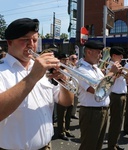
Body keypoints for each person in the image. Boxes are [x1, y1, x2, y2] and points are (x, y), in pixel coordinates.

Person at [0, 18, 74, 150]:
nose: (31, 45)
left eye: (34, 40)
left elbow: (66, 102)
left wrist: (63, 81)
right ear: (9, 42)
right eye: (24, 39)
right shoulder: (2, 70)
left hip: (46, 146)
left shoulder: (40, 67)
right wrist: (33, 76)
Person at [75, 40, 122, 150]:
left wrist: (115, 75)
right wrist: (111, 72)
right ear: (89, 52)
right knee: (89, 145)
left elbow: (107, 87)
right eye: (99, 52)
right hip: (91, 112)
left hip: (102, 110)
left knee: (98, 145)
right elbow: (96, 90)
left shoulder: (95, 68)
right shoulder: (80, 69)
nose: (101, 56)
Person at [106, 46, 126, 150]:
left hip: (121, 95)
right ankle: (111, 145)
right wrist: (115, 74)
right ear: (114, 56)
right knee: (115, 122)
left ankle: (114, 143)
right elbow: (107, 82)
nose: (122, 57)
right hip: (115, 96)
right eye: (120, 55)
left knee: (119, 122)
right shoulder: (110, 66)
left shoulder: (119, 66)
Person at [56, 53, 75, 140]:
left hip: (71, 93)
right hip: (62, 95)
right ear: (59, 60)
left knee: (68, 114)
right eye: (64, 60)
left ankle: (67, 129)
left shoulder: (69, 69)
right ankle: (61, 132)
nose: (66, 61)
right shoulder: (57, 70)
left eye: (67, 59)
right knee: (61, 115)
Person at [69, 54, 79, 119]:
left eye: (76, 58)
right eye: (73, 59)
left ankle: (73, 113)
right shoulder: (68, 66)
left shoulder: (78, 67)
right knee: (69, 102)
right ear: (70, 59)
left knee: (75, 101)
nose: (75, 60)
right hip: (70, 86)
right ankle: (68, 115)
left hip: (76, 86)